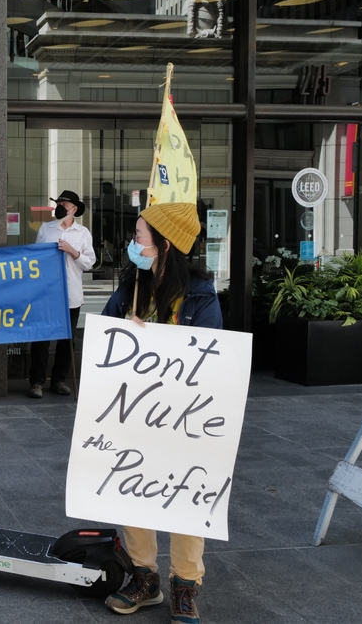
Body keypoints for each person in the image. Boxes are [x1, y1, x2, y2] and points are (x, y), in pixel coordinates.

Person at [100, 201, 221, 624]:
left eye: (139, 238)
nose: (133, 244)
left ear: (164, 245)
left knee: (187, 496)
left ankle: (185, 586)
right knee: (135, 492)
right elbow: (105, 337)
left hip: (184, 418)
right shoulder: (132, 286)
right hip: (135, 412)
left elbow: (211, 354)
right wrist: (121, 331)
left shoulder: (201, 296)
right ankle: (144, 577)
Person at [28, 190, 96, 398]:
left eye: (64, 205)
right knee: (41, 338)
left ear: (74, 209)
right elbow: (35, 259)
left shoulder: (82, 233)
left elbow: (89, 262)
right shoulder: (46, 229)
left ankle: (59, 380)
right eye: (58, 203)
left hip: (71, 294)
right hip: (47, 293)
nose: (60, 207)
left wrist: (72, 251)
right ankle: (36, 382)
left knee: (66, 340)